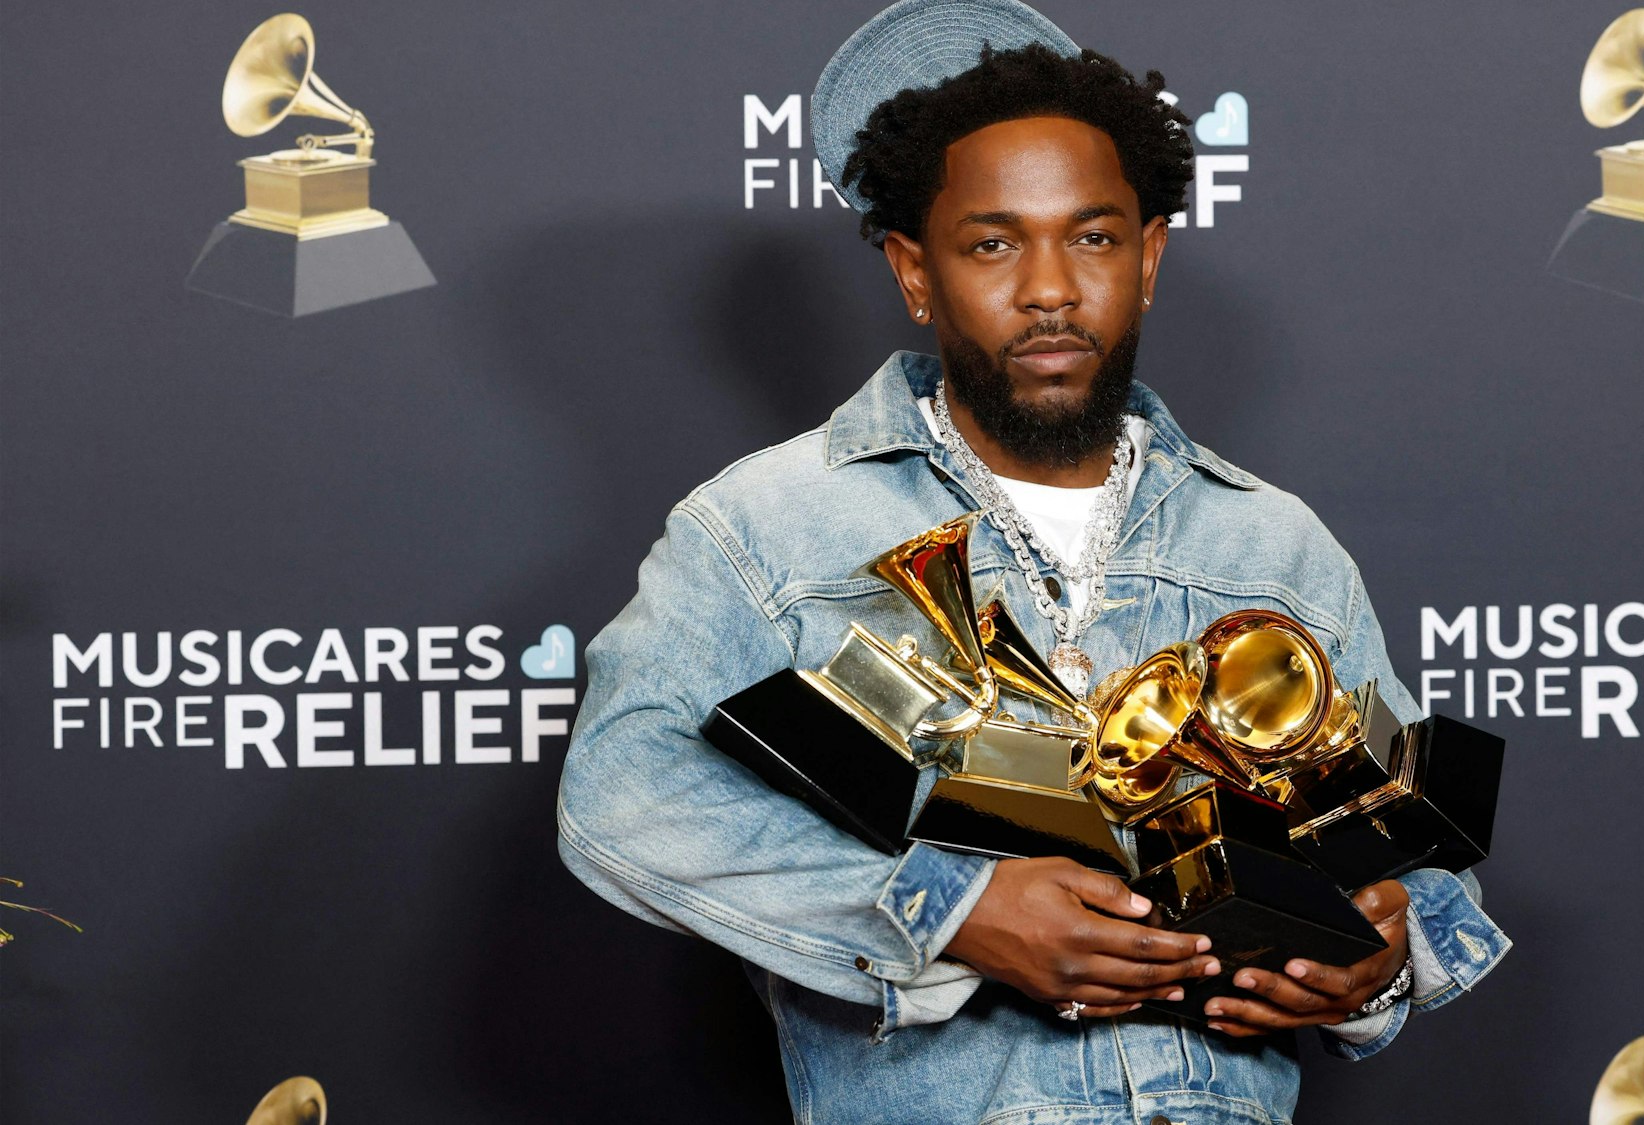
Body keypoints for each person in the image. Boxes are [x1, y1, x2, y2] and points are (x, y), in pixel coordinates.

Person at [556, 2, 1508, 1121]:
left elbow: (1404, 853)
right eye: (994, 243)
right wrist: (950, 913)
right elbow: (620, 791)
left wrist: (1375, 964)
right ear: (915, 271)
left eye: (1093, 238)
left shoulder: (1275, 541)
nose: (1050, 288)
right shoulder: (764, 525)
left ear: (1148, 258)